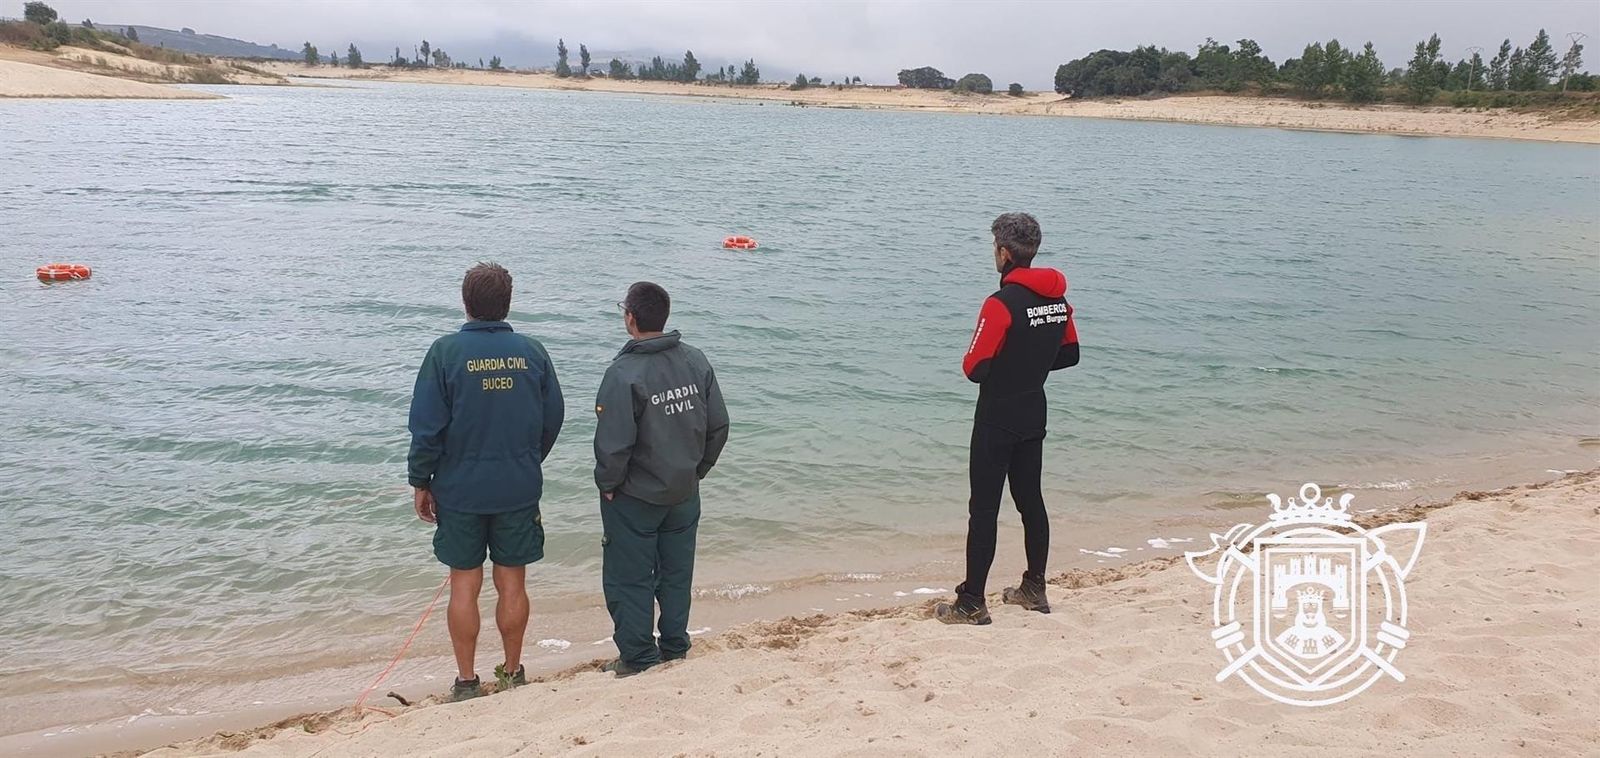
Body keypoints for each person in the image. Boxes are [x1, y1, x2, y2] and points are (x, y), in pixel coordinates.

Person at [407, 262, 565, 700]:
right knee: (513, 582)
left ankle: (466, 681)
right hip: (516, 485)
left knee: (465, 583)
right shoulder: (532, 352)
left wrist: (422, 480)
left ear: (466, 303)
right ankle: (512, 673)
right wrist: (528, 460)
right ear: (507, 304)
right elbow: (553, 418)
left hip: (459, 489)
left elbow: (426, 427)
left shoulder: (444, 353)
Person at [935, 212, 1079, 625]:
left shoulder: (1000, 304)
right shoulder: (1058, 301)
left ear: (1003, 252)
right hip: (1034, 410)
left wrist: (1007, 365)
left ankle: (972, 602)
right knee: (1030, 501)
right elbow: (1070, 355)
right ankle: (1034, 588)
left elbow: (974, 368)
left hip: (997, 416)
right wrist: (1028, 366)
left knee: (983, 509)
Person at [593, 281, 729, 676]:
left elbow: (613, 446)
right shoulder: (695, 361)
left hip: (636, 496)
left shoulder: (623, 373)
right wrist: (695, 470)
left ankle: (638, 657)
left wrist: (608, 484)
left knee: (629, 577)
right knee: (675, 573)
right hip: (683, 490)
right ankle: (673, 646)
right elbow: (718, 427)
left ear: (630, 318)